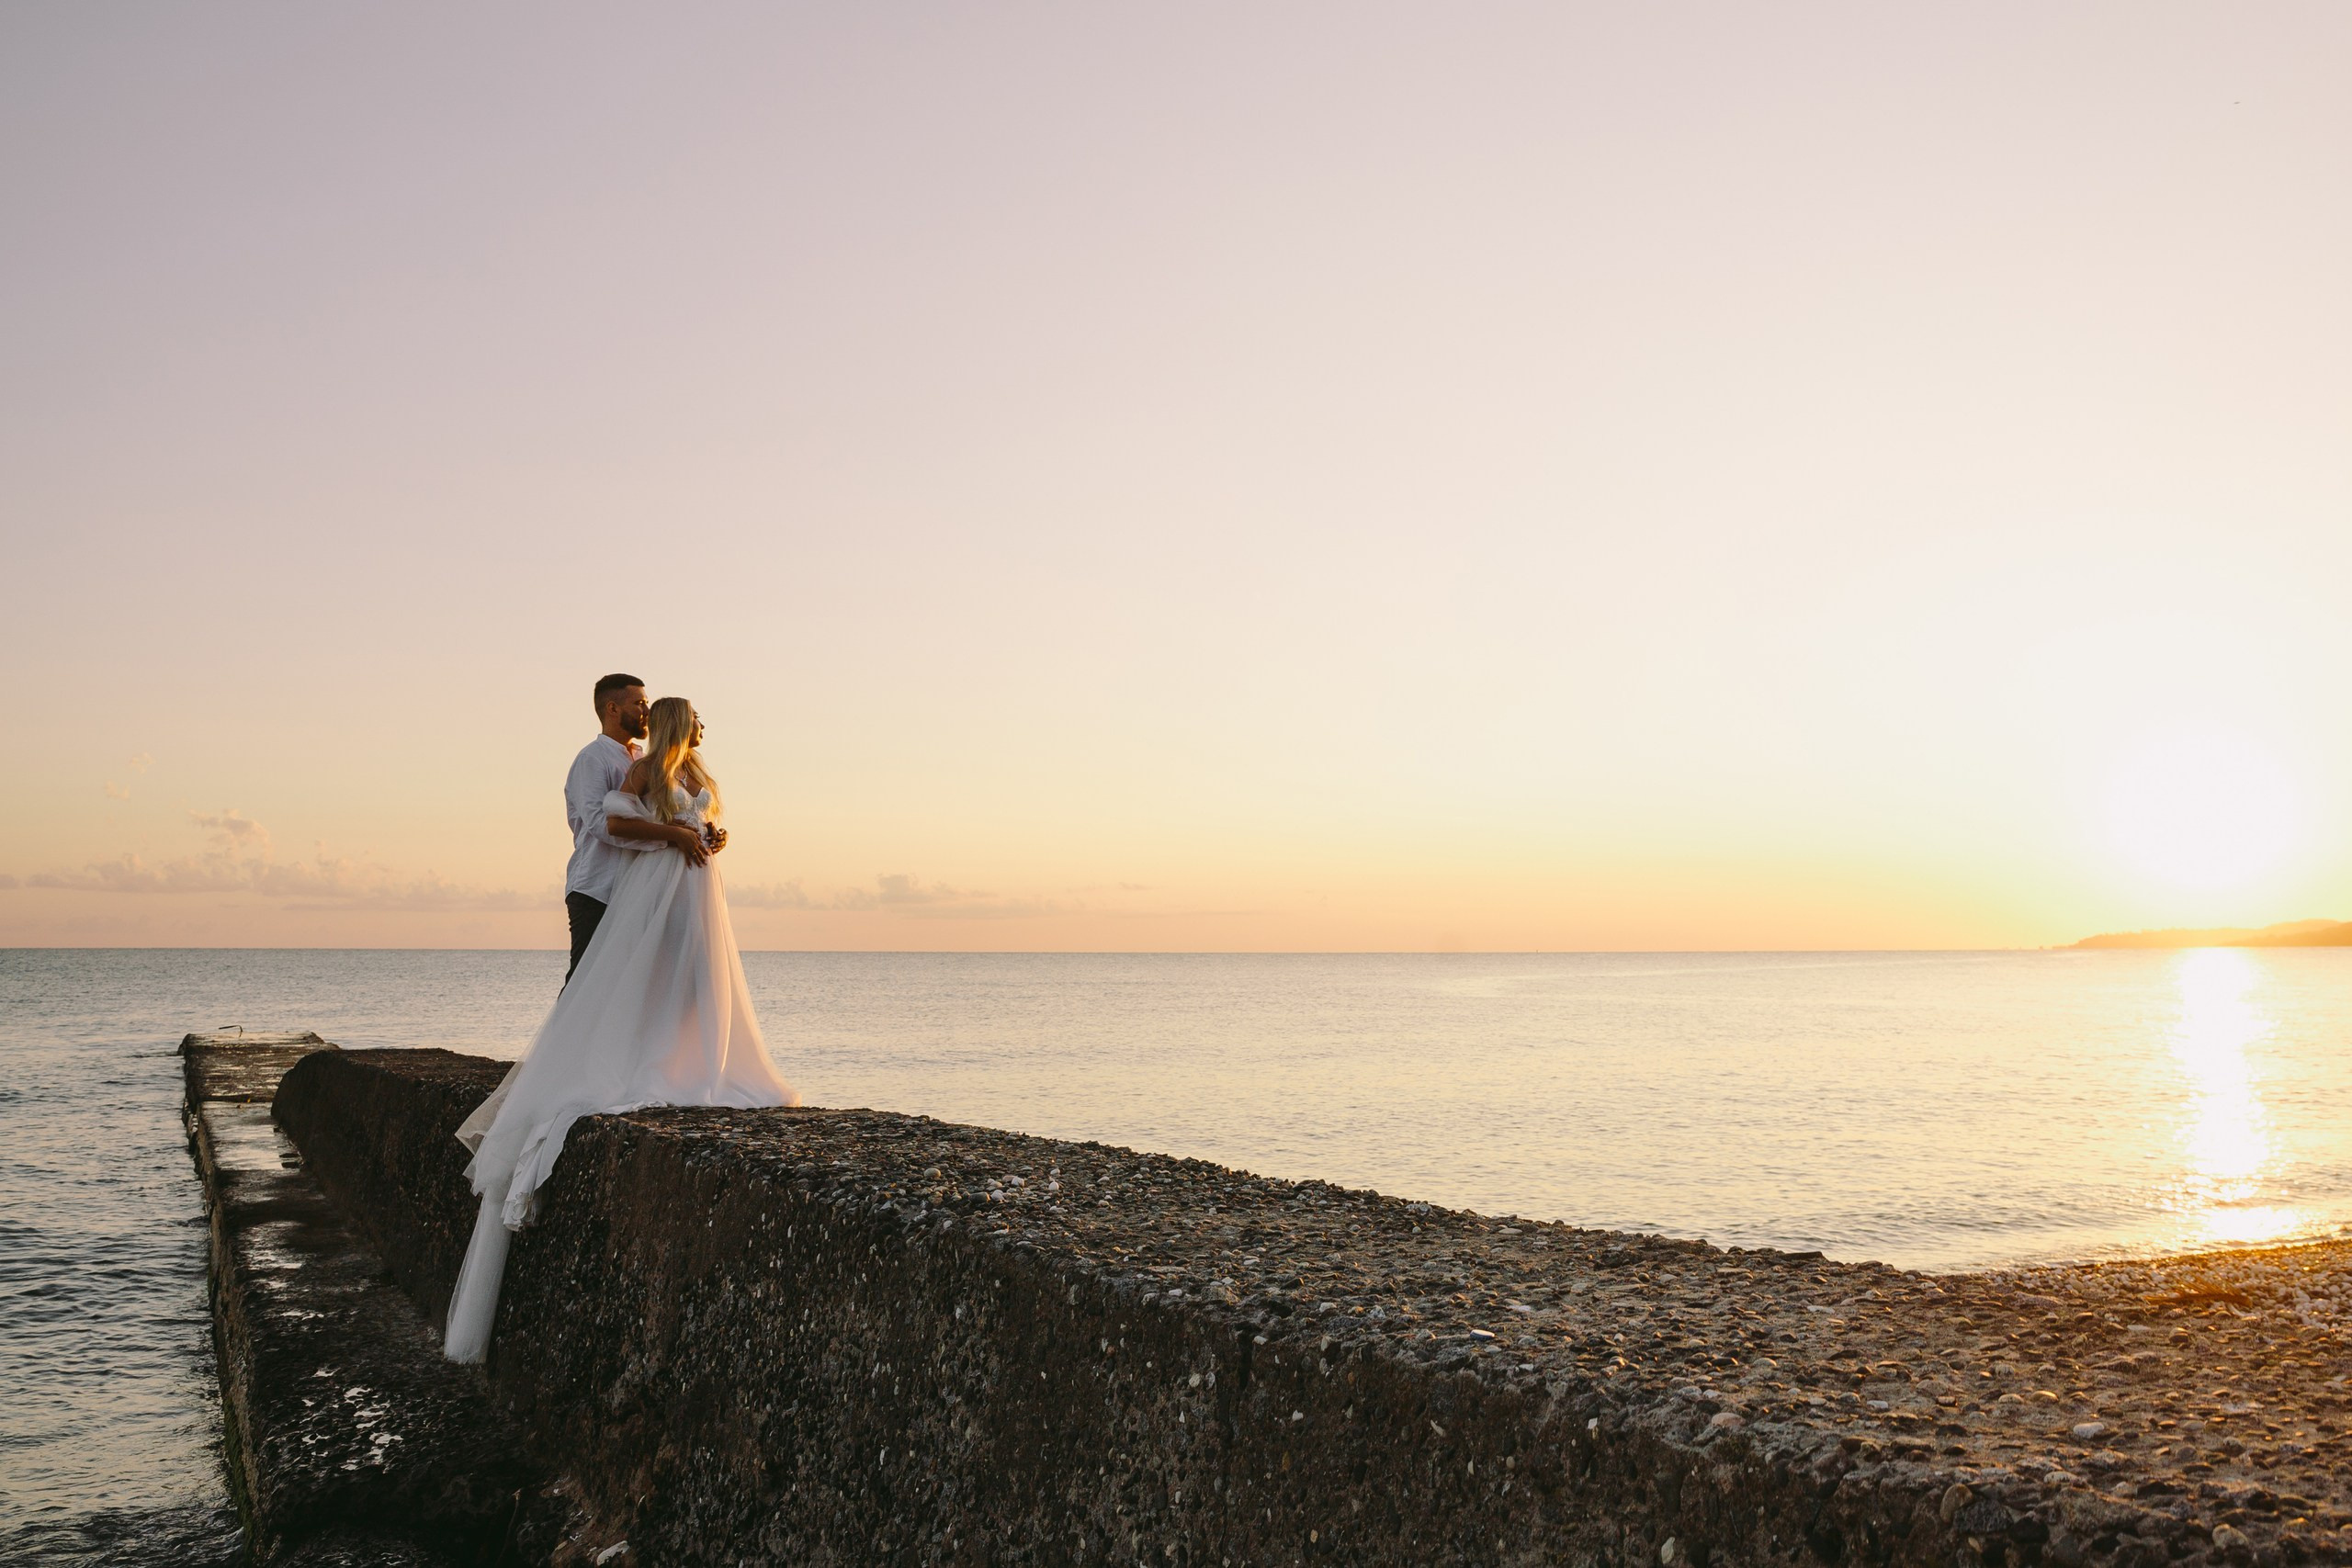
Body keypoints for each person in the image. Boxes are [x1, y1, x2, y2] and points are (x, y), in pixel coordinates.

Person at [443, 695, 797, 1364]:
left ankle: (697, 1058)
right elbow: (609, 822)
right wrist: (676, 837)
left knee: (700, 979)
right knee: (637, 982)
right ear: (675, 721)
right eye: (695, 717)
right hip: (659, 883)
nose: (704, 726)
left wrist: (709, 835)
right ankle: (642, 1059)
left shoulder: (693, 774)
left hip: (696, 887)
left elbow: (694, 821)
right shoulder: (638, 770)